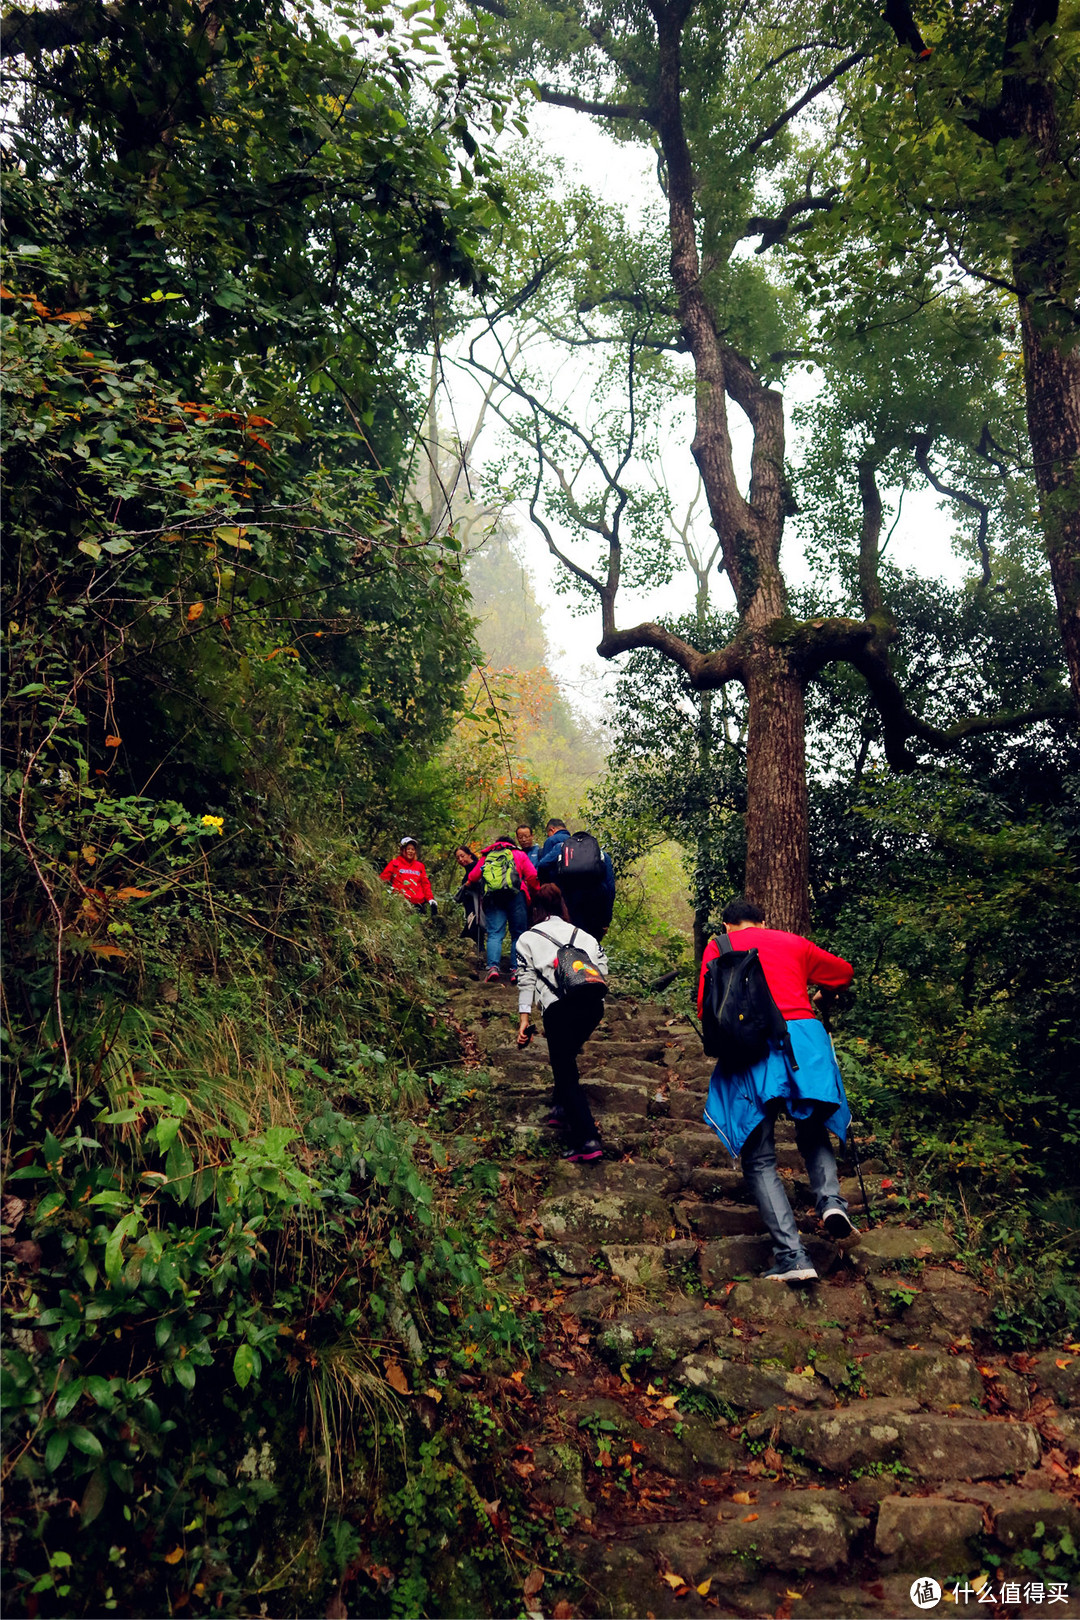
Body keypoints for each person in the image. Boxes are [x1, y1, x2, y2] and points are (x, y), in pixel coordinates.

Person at [697, 897, 857, 1284]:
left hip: (753, 1047)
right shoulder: (793, 942)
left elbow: (707, 1003)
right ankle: (831, 1202)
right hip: (804, 1039)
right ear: (764, 920)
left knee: (760, 1157)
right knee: (812, 1126)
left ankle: (792, 1256)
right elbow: (843, 972)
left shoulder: (718, 946)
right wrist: (823, 995)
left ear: (727, 924)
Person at [515, 883, 607, 1163]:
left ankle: (587, 1139)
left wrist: (524, 1018)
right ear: (561, 907)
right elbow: (602, 971)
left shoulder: (527, 938)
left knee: (564, 1068)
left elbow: (526, 980)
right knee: (565, 1056)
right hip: (592, 1007)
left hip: (558, 1008)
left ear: (536, 909)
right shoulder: (583, 934)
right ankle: (559, 1107)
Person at [466, 837, 538, 984]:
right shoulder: (519, 854)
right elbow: (531, 875)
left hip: (493, 897)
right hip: (517, 896)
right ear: (512, 843)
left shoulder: (488, 856)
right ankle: (515, 970)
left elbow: (473, 876)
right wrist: (536, 892)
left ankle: (493, 968)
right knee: (518, 934)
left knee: (494, 934)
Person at [536, 818, 616, 940]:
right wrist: (606, 920)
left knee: (569, 941)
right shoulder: (601, 854)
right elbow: (610, 888)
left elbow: (542, 865)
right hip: (595, 903)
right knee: (591, 942)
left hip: (569, 901)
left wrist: (550, 886)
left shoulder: (561, 848)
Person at [379, 837, 436, 914]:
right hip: (401, 904)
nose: (410, 851)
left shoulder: (420, 866)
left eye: (412, 849)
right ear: (403, 850)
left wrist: (430, 899)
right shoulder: (395, 864)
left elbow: (425, 884)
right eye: (408, 849)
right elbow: (383, 880)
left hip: (419, 905)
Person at [452, 845, 484, 948]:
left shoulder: (475, 869)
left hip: (476, 908)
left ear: (469, 855)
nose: (460, 860)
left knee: (472, 934)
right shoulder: (469, 870)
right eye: (457, 858)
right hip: (471, 908)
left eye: (462, 856)